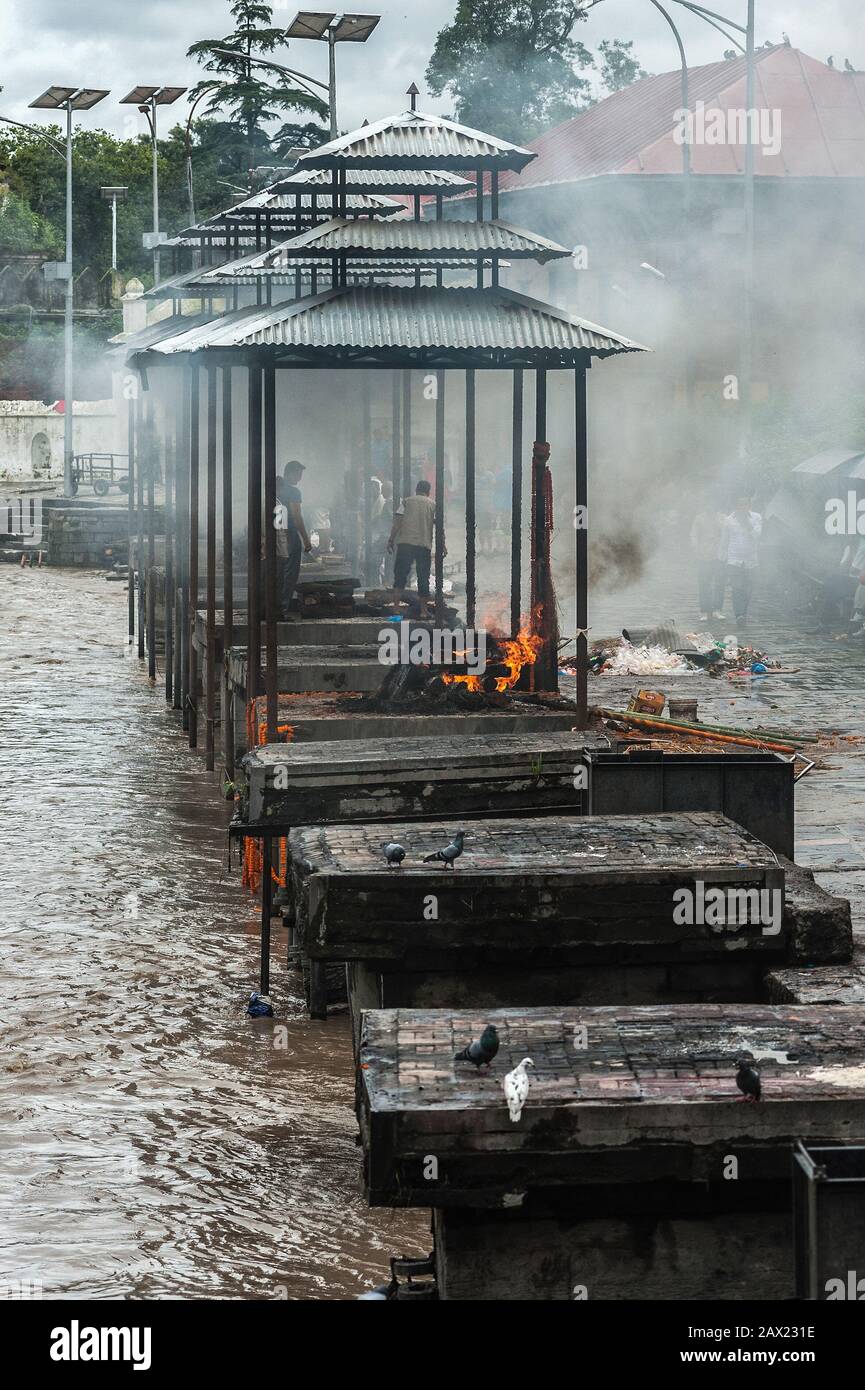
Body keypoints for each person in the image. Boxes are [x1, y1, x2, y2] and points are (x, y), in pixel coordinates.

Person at [387, 480, 439, 617]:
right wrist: (443, 545)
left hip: (405, 544)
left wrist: (391, 540)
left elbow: (397, 523)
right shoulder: (433, 505)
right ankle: (423, 611)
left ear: (416, 490)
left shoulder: (406, 502)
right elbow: (439, 527)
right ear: (428, 492)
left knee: (400, 576)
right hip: (423, 545)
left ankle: (396, 608)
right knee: (423, 578)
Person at [274, 460, 311, 619]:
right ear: (289, 473)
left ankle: (274, 608)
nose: (300, 478)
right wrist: (306, 540)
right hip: (289, 536)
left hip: (275, 535)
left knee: (278, 573)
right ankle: (282, 609)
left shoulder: (275, 489)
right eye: (298, 474)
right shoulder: (293, 492)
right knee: (289, 574)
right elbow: (296, 516)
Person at [719, 496, 762, 624]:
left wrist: (747, 524)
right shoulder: (729, 520)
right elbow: (725, 539)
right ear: (736, 507)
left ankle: (744, 612)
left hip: (751, 559)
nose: (742, 508)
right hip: (734, 559)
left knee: (748, 588)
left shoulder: (756, 518)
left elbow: (757, 535)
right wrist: (721, 556)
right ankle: (739, 615)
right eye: (740, 505)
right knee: (737, 587)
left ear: (749, 506)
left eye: (745, 505)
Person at [689, 505, 725, 621]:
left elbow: (726, 532)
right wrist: (695, 547)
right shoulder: (699, 518)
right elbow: (694, 534)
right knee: (704, 583)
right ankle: (704, 610)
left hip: (719, 554)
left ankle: (717, 609)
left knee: (719, 583)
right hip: (703, 554)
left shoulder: (722, 518)